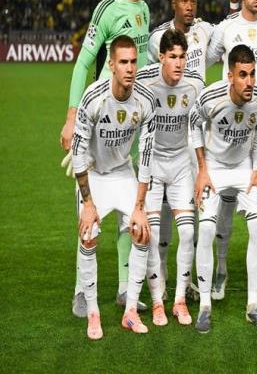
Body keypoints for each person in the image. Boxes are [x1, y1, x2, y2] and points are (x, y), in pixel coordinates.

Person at [62, 0, 151, 317]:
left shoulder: (144, 8)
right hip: (100, 116)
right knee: (91, 203)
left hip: (130, 115)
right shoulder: (108, 8)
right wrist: (72, 116)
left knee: (129, 205)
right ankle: (82, 291)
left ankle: (124, 288)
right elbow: (84, 62)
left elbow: (142, 62)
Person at [71, 35, 156, 339]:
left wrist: (139, 206)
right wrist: (88, 204)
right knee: (88, 234)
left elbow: (146, 155)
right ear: (111, 65)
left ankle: (130, 311)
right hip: (94, 175)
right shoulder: (94, 97)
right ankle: (93, 313)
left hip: (122, 173)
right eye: (123, 62)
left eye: (133, 62)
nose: (130, 68)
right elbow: (78, 153)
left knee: (142, 231)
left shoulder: (145, 100)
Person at [206, 0, 257, 301]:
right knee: (226, 204)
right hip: (232, 129)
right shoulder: (227, 28)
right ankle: (221, 269)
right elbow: (209, 61)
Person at [190, 44, 257, 333]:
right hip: (213, 167)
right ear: (230, 76)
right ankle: (204, 306)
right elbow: (193, 124)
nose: (249, 82)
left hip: (243, 168)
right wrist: (201, 170)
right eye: (242, 75)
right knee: (207, 228)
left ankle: (253, 305)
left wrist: (256, 168)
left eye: (252, 74)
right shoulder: (210, 97)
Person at [147, 0, 213, 301]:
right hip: (166, 133)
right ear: (174, 3)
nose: (189, 6)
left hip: (194, 132)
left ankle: (188, 279)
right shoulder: (157, 38)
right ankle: (161, 274)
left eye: (193, 1)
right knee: (162, 209)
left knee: (192, 210)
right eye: (184, 1)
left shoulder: (204, 31)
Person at [138, 29, 205, 325]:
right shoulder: (145, 80)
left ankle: (179, 301)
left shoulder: (195, 83)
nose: (178, 63)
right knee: (152, 236)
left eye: (182, 57)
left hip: (180, 164)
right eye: (173, 57)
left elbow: (203, 121)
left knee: (188, 233)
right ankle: (157, 301)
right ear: (161, 57)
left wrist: (203, 167)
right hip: (152, 164)